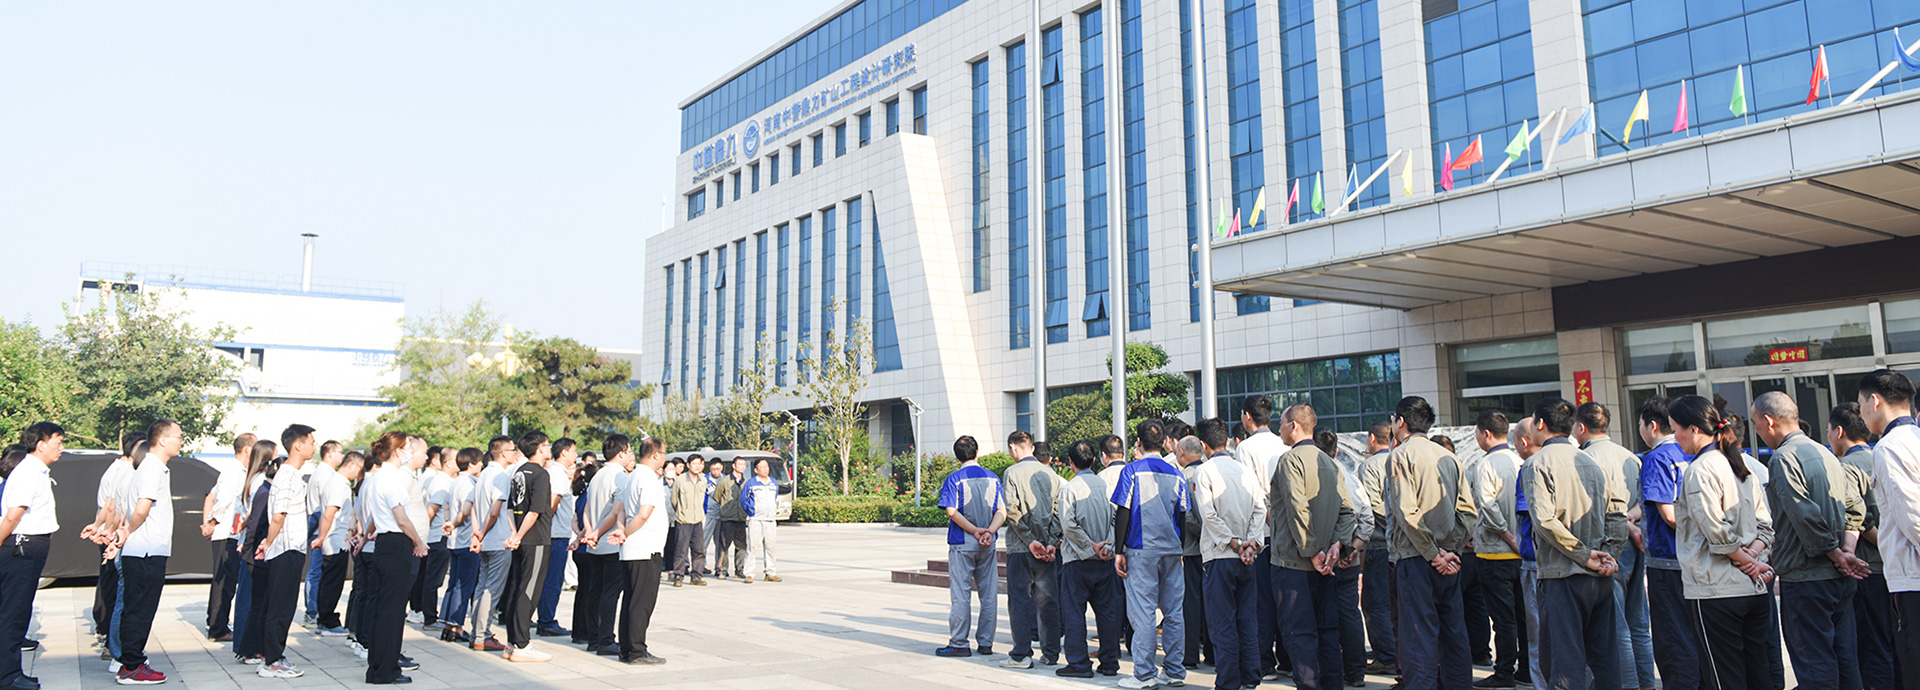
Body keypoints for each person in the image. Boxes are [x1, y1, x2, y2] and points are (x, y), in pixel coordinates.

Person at [1752, 391, 1870, 689]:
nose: (1757, 430)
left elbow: (1804, 515)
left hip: (1806, 578)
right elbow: (1855, 508)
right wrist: (1846, 552)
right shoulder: (1826, 453)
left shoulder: (1784, 458)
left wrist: (1836, 554)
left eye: (1756, 423)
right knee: (1845, 659)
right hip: (1839, 578)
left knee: (1814, 664)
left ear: (1769, 421)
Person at [1667, 396, 1778, 689]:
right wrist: (1753, 559)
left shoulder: (1700, 470)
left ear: (1694, 429)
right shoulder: (1740, 465)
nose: (1674, 437)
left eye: (1675, 429)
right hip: (1752, 588)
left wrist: (1746, 560)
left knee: (1722, 678)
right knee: (1757, 674)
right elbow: (1765, 527)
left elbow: (1717, 533)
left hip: (1715, 589)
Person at [1526, 397, 1628, 690]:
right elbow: (1617, 513)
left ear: (1540, 423)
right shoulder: (1591, 461)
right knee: (1605, 658)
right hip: (1600, 575)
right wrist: (1609, 555)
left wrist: (1584, 556)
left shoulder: (1537, 464)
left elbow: (1545, 520)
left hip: (1563, 575)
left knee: (1563, 663)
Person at [1386, 396, 1476, 690]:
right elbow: (1468, 512)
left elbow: (1406, 511)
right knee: (1454, 632)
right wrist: (1451, 550)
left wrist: (1432, 553)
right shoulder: (1449, 457)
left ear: (1400, 421)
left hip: (1416, 558)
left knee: (1418, 636)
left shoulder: (1400, 456)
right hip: (1450, 560)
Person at [1268, 405, 1355, 690]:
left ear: (1293, 426)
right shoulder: (1329, 463)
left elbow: (1297, 508)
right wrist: (1335, 546)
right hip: (1326, 564)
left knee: (1299, 634)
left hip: (1294, 563)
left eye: (1281, 423)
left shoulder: (1289, 460)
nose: (1279, 429)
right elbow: (1347, 511)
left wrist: (1313, 551)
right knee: (1328, 633)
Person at [1573, 402, 1656, 690]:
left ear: (1581, 427)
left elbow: (1601, 508)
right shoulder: (1629, 456)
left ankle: (1628, 684)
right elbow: (1643, 501)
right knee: (1638, 620)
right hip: (1635, 543)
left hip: (1608, 547)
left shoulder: (1584, 459)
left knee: (1616, 624)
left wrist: (1624, 525)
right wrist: (1632, 524)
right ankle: (1646, 682)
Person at [1182, 417, 1262, 690]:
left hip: (1220, 556)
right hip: (1247, 557)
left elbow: (1209, 516)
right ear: (1227, 440)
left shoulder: (1205, 472)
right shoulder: (1245, 470)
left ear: (1203, 445)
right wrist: (1251, 543)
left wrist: (1234, 543)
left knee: (1222, 623)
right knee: (1247, 620)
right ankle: (1250, 677)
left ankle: (1228, 681)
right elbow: (1259, 509)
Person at [1113, 419, 1191, 688]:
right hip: (1172, 549)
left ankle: (1145, 674)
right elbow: (1182, 516)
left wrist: (1118, 550)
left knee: (1144, 613)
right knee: (1174, 612)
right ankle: (1175, 671)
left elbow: (1123, 512)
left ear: (1139, 442)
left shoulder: (1132, 471)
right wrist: (1180, 548)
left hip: (1141, 549)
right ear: (1164, 442)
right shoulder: (1177, 474)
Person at [1634, 394, 1701, 690]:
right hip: (1698, 559)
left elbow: (1668, 515)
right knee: (1695, 636)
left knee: (1673, 640)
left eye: (1640, 424)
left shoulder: (1657, 457)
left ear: (1652, 425)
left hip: (1668, 560)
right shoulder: (1693, 452)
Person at [1832, 402, 1897, 690]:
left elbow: (1859, 519)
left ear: (1839, 431)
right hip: (1896, 569)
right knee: (1895, 643)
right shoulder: (1882, 456)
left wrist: (1883, 545)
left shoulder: (1846, 467)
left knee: (1872, 648)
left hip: (1868, 569)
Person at [0, 424, 62, 690]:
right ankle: (7, 676)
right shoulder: (29, 472)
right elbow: (12, 516)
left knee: (16, 611)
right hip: (22, 547)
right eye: (58, 442)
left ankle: (11, 672)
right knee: (13, 614)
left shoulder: (36, 470)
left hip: (28, 546)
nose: (61, 448)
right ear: (41, 444)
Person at [363, 433, 429, 685]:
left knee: (383, 609)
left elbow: (379, 515)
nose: (410, 452)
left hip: (385, 543)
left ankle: (377, 667)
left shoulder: (380, 476)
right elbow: (401, 519)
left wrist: (368, 533)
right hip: (395, 544)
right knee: (391, 611)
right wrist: (418, 542)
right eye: (408, 448)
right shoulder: (392, 478)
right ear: (399, 451)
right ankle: (385, 670)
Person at [248, 427, 312, 678]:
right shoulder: (288, 475)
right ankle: (273, 660)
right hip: (286, 548)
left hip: (287, 548)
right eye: (311, 442)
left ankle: (269, 655)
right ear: (297, 445)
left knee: (276, 605)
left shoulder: (289, 474)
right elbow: (278, 515)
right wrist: (268, 541)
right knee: (280, 608)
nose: (313, 447)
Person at [1055, 440, 1121, 679]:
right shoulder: (1106, 486)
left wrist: (1090, 546)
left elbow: (1068, 525)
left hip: (1077, 560)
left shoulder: (1069, 489)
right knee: (1107, 612)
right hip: (1104, 558)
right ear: (1094, 460)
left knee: (1074, 611)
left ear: (1071, 463)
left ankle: (1079, 663)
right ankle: (1109, 662)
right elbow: (1116, 520)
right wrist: (1107, 545)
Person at [1234, 395, 1289, 682]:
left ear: (1247, 416)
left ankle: (1265, 662)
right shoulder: (1283, 443)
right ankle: (1288, 659)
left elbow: (1250, 492)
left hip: (1261, 534)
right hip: (1286, 533)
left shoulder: (1245, 448)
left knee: (1262, 601)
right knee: (1285, 598)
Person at [1468, 410, 1523, 690]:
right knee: (1523, 616)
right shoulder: (1519, 460)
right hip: (1522, 554)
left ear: (1486, 433)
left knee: (1502, 619)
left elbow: (1488, 508)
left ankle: (1504, 673)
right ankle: (1526, 669)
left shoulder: (1485, 465)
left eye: (1477, 433)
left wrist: (1508, 536)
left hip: (1494, 552)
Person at [936, 435, 1005, 658]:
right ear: (977, 453)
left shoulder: (954, 479)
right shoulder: (993, 478)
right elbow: (1002, 511)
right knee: (989, 594)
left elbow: (951, 511)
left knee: (961, 594)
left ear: (957, 456)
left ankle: (959, 643)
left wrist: (974, 531)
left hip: (962, 542)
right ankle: (985, 643)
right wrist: (989, 532)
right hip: (988, 543)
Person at [1001, 430, 1063, 668]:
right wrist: (1050, 541)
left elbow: (1012, 510)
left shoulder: (1012, 472)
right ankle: (1051, 653)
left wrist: (1029, 541)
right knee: (1048, 600)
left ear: (1013, 448)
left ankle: (1021, 655)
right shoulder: (1051, 473)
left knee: (1019, 600)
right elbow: (1058, 512)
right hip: (1047, 549)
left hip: (1021, 548)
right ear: (1032, 448)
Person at [612, 437, 669, 665]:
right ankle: (637, 651)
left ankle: (627, 648)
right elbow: (644, 514)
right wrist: (625, 533)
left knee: (631, 600)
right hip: (645, 549)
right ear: (656, 455)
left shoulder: (632, 475)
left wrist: (622, 531)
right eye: (663, 453)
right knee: (642, 602)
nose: (664, 457)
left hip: (633, 549)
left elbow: (621, 510)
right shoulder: (648, 478)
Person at [499, 431, 556, 662]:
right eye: (547, 445)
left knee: (516, 589)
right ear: (540, 448)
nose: (549, 448)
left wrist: (515, 533)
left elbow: (510, 508)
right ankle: (522, 644)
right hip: (536, 539)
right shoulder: (540, 474)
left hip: (521, 539)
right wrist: (520, 535)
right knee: (529, 591)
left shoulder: (518, 472)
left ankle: (512, 643)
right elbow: (535, 510)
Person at [84, 432, 140, 655]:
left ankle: (105, 630)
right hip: (116, 534)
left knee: (108, 583)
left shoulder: (116, 469)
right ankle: (110, 639)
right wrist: (108, 531)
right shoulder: (126, 472)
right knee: (115, 588)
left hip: (111, 532)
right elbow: (113, 507)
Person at [579, 435, 634, 657]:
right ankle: (606, 640)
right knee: (610, 593)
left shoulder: (598, 475)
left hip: (595, 545)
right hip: (610, 543)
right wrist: (598, 533)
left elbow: (586, 510)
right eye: (629, 451)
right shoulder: (620, 476)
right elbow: (616, 512)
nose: (631, 455)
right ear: (621, 453)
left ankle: (593, 638)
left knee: (595, 591)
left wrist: (590, 532)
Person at [200, 433, 252, 642]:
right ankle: (218, 628)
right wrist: (211, 523)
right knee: (224, 582)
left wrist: (207, 522)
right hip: (226, 534)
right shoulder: (234, 471)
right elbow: (221, 500)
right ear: (247, 449)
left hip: (227, 533)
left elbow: (210, 496)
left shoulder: (234, 470)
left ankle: (216, 622)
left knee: (225, 581)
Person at [468, 436, 516, 652]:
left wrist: (477, 534)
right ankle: (482, 635)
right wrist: (483, 532)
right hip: (497, 540)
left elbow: (475, 508)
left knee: (481, 587)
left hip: (486, 540)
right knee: (491, 589)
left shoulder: (484, 474)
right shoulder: (501, 476)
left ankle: (476, 633)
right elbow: (495, 511)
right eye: (512, 450)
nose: (515, 454)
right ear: (504, 453)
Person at [1357, 420, 1396, 677]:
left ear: (1372, 438)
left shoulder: (1369, 466)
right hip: (1400, 545)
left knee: (1375, 603)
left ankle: (1387, 656)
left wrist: (1393, 522)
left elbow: (1370, 506)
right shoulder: (1399, 459)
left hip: (1379, 543)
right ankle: (1392, 650)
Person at [314, 450, 362, 638]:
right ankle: (328, 621)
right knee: (332, 583)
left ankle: (324, 619)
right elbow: (328, 514)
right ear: (351, 465)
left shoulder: (337, 482)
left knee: (330, 581)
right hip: (335, 541)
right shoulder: (338, 485)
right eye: (359, 469)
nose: (359, 474)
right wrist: (321, 537)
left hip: (336, 539)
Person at [437, 449, 480, 644]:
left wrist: (449, 522)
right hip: (465, 540)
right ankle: (457, 626)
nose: (481, 465)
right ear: (471, 464)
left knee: (453, 583)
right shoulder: (469, 484)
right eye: (479, 462)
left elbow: (447, 508)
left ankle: (447, 626)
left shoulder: (455, 482)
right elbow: (466, 510)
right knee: (464, 586)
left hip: (454, 541)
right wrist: (454, 523)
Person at [536, 439, 578, 637]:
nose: (576, 455)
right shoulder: (558, 474)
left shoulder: (552, 472)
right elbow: (552, 505)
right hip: (555, 534)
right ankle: (547, 621)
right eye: (574, 451)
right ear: (564, 452)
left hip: (553, 533)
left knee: (549, 579)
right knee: (553, 580)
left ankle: (545, 619)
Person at [300, 440, 344, 629]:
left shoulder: (323, 473)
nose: (342, 456)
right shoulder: (326, 475)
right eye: (340, 452)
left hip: (320, 526)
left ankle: (314, 611)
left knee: (317, 571)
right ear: (330, 453)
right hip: (320, 527)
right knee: (316, 571)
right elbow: (327, 509)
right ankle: (312, 612)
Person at [410, 446, 454, 632]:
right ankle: (429, 617)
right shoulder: (442, 483)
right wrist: (421, 537)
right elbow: (430, 511)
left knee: (428, 578)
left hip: (434, 537)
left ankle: (424, 612)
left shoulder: (440, 480)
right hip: (437, 537)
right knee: (432, 580)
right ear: (448, 463)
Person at [668, 451, 708, 587]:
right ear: (688, 465)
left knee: (699, 550)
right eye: (694, 464)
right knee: (681, 550)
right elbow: (674, 500)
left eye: (700, 464)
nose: (697, 466)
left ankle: (696, 575)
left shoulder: (703, 480)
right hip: (683, 521)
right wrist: (681, 511)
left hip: (698, 520)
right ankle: (678, 575)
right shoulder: (680, 480)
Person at [740, 457, 782, 584]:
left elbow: (774, 497)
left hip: (770, 520)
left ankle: (770, 573)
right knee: (752, 547)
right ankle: (749, 573)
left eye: (766, 467)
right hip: (756, 519)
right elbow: (744, 500)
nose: (765, 469)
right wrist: (752, 511)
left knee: (771, 547)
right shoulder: (751, 483)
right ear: (756, 470)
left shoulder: (773, 482)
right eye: (762, 467)